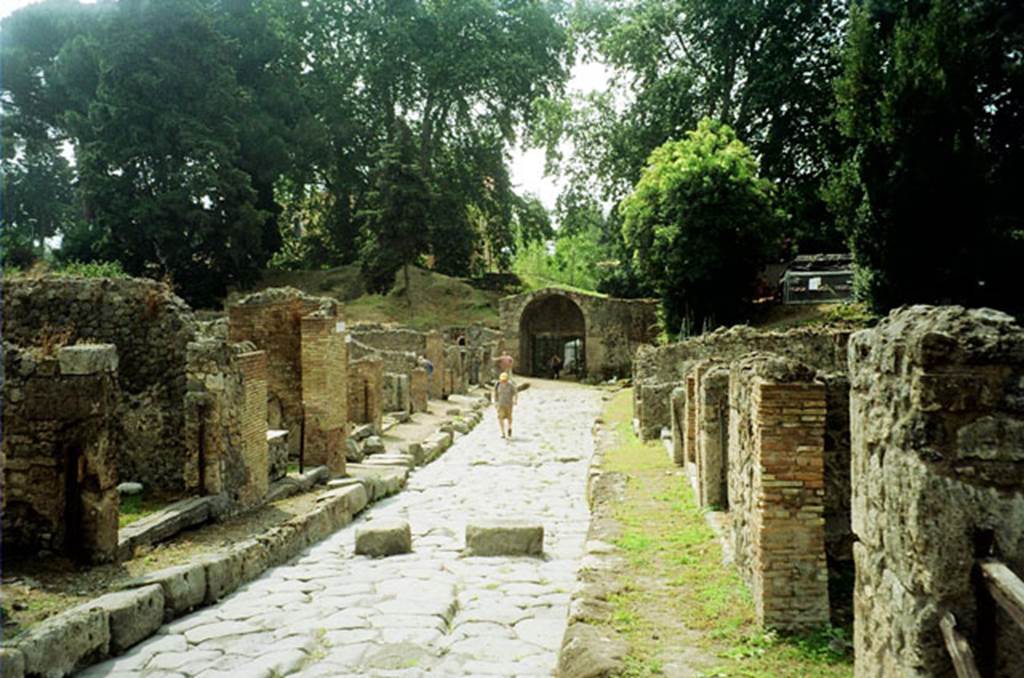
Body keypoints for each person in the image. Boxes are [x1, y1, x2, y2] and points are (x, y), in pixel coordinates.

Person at [494, 372, 517, 439]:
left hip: (509, 404)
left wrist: (515, 400)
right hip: (500, 404)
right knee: (500, 417)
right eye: (502, 380)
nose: (503, 381)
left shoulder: (511, 385)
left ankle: (509, 427)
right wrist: (495, 402)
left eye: (505, 380)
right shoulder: (497, 385)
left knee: (509, 417)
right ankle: (502, 432)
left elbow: (515, 393)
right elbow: (495, 393)